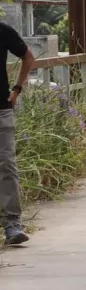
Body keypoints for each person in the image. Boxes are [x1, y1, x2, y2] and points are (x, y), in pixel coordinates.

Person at [0, 20, 35, 246]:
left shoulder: (2, 30)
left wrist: (17, 89)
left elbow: (28, 57)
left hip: (1, 110)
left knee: (6, 165)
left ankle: (12, 225)